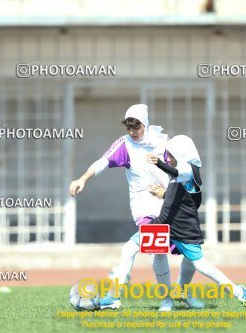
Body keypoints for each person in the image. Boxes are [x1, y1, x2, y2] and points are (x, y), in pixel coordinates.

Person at [69, 104, 176, 311]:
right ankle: (165, 300)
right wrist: (82, 179)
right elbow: (102, 162)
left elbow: (180, 168)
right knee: (155, 253)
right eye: (128, 127)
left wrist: (170, 191)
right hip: (144, 209)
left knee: (173, 255)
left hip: (167, 206)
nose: (132, 132)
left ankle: (163, 298)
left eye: (136, 127)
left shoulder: (163, 141)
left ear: (145, 124)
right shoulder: (125, 145)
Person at [147, 135, 246, 310]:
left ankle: (239, 292)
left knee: (199, 264)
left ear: (181, 153)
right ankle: (169, 297)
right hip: (169, 225)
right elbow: (179, 197)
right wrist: (163, 194)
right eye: (166, 155)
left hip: (184, 228)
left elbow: (178, 173)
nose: (167, 158)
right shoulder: (181, 171)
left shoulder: (188, 169)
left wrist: (158, 163)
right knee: (140, 251)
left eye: (170, 154)